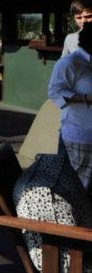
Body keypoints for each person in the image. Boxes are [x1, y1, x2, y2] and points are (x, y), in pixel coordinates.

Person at [49, 25, 92, 189]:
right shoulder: (70, 63)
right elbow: (55, 91)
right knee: (83, 187)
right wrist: (86, 98)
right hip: (83, 135)